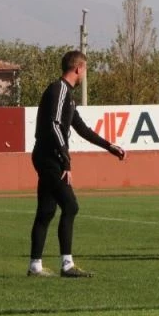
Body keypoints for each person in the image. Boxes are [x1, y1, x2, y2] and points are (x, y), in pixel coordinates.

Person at [28, 50, 126, 278]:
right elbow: (54, 125)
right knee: (70, 206)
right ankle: (67, 265)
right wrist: (66, 161)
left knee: (46, 211)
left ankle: (35, 266)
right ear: (78, 68)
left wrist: (109, 146)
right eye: (85, 70)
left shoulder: (68, 96)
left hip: (49, 155)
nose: (85, 74)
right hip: (49, 156)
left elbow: (81, 128)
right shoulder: (59, 90)